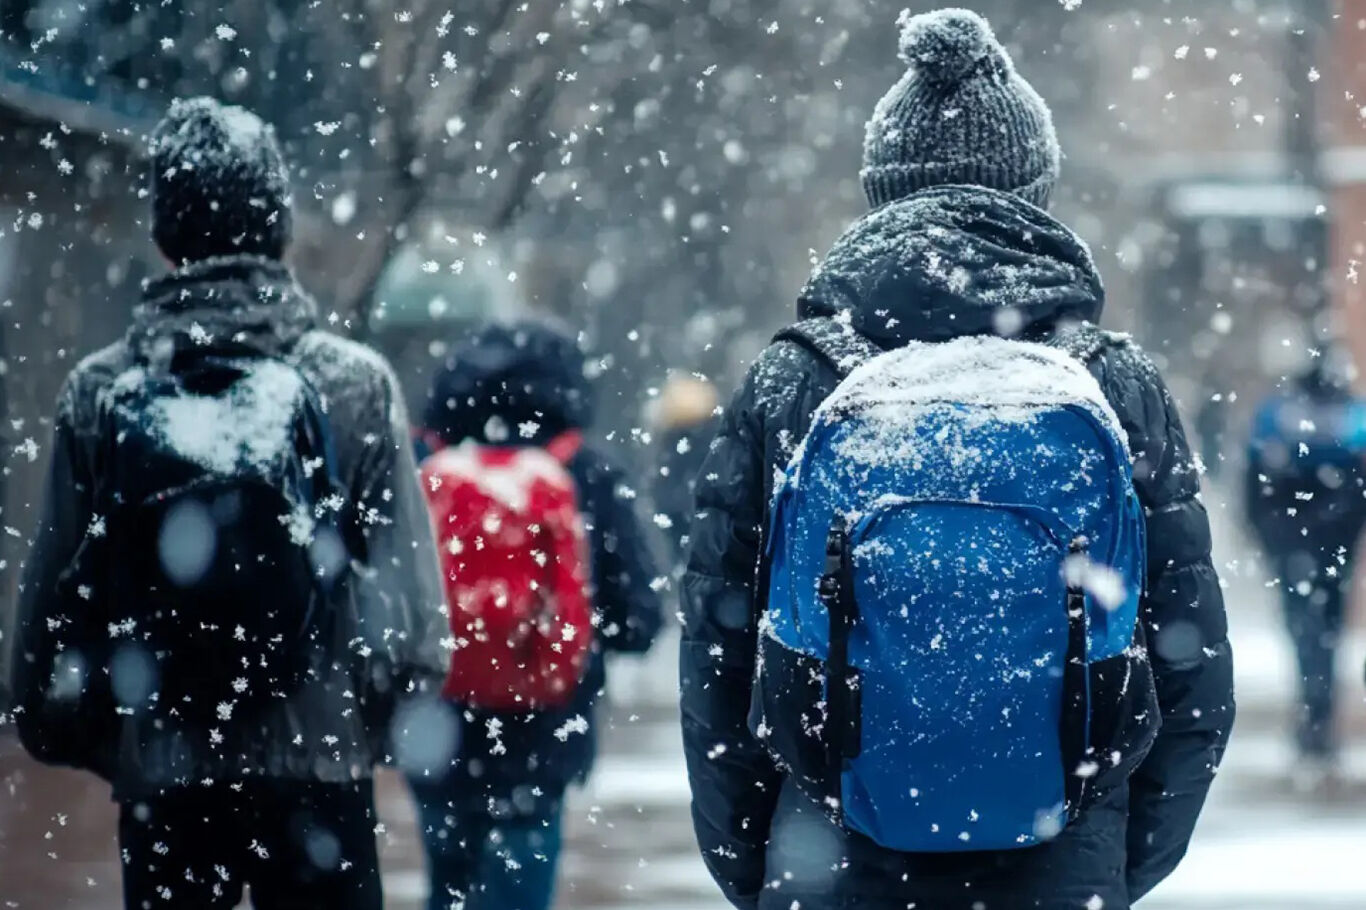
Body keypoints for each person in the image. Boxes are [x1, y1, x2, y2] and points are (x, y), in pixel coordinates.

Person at [679, 10, 1235, 910]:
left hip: (830, 836)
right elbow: (1189, 656)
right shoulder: (1109, 380)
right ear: (1036, 194)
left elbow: (720, 642)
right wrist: (1115, 850)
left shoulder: (796, 377)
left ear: (880, 193)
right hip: (1062, 836)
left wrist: (756, 855)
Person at [9, 97, 449, 910]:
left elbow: (46, 638)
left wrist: (123, 739)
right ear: (280, 226)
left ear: (163, 233)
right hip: (320, 778)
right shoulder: (353, 383)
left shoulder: (101, 392)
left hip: (166, 779)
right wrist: (357, 726)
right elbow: (414, 632)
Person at [412, 320, 664, 910]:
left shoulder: (425, 466)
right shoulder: (588, 472)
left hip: (437, 729)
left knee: (448, 884)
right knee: (518, 885)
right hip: (543, 736)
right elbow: (639, 620)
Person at [1245, 347, 1366, 784]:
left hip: (1295, 544)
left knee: (1305, 629)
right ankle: (1319, 718)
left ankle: (1314, 719)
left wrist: (1271, 537)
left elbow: (1255, 487)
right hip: (1333, 544)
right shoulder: (1351, 417)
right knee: (1326, 631)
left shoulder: (1277, 415)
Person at [651, 373, 720, 566]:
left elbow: (664, 489)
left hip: (684, 521)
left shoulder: (672, 443)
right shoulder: (715, 439)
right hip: (705, 528)